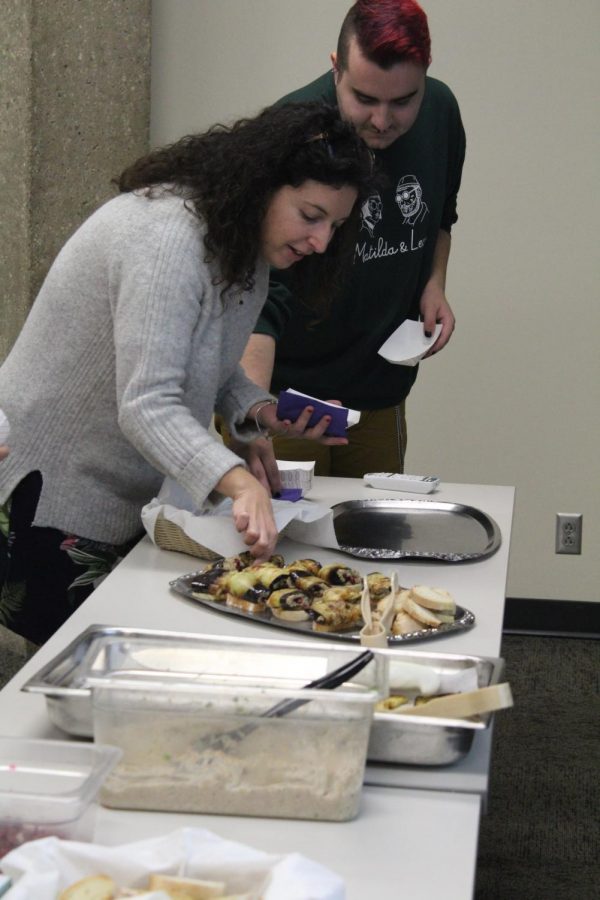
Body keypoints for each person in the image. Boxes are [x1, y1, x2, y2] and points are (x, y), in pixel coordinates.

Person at [0, 101, 375, 645]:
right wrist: (238, 481)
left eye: (335, 225)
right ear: (262, 184)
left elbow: (206, 361)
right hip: (53, 492)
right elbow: (147, 403)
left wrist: (256, 410)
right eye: (311, 215)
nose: (321, 241)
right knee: (80, 683)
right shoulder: (168, 239)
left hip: (120, 489)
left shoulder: (241, 245)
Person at [227, 0, 466, 489]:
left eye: (403, 101)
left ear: (426, 75)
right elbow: (258, 290)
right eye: (363, 98)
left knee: (371, 540)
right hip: (287, 397)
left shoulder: (441, 111)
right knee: (281, 551)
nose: (382, 120)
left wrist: (434, 284)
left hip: (379, 386)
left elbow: (443, 215)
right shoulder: (291, 130)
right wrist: (253, 416)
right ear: (335, 68)